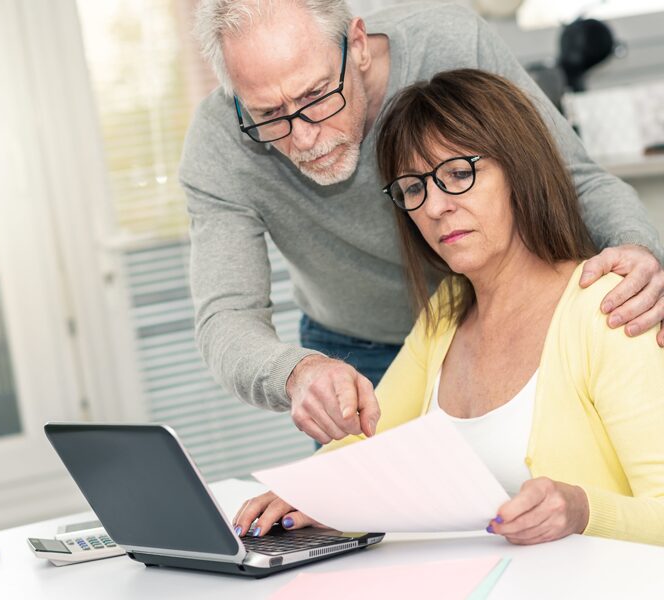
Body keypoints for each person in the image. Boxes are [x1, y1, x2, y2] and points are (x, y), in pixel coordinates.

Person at [181, 0, 664, 445]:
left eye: (317, 95)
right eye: (269, 114)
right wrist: (297, 373)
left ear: (357, 44)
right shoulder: (220, 143)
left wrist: (636, 250)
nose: (304, 138)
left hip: (495, 325)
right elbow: (227, 316)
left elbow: (572, 177)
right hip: (352, 354)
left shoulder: (450, 43)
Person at [232, 69, 664, 546]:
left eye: (458, 173)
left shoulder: (610, 308)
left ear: (522, 170)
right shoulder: (448, 310)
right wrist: (307, 490)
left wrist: (582, 511)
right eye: (414, 189)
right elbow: (366, 438)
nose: (434, 207)